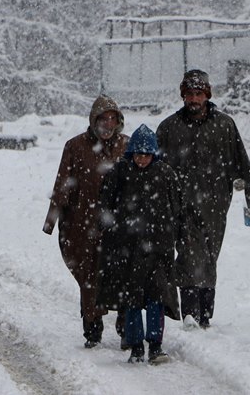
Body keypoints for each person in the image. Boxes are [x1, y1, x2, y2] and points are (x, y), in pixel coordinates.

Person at [157, 69, 250, 329]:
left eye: (198, 94)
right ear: (183, 96)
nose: (194, 99)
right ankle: (191, 313)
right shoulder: (170, 128)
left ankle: (206, 314)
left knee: (209, 256)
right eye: (189, 94)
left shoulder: (224, 125)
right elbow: (154, 166)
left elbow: (240, 158)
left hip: (215, 204)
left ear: (207, 95)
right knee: (188, 255)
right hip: (181, 204)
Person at [43, 95, 129, 349]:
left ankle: (126, 326)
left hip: (118, 224)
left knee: (123, 273)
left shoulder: (126, 145)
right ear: (93, 120)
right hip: (83, 223)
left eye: (112, 118)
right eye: (103, 118)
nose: (108, 124)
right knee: (89, 275)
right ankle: (92, 327)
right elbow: (63, 183)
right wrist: (52, 220)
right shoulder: (76, 146)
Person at [96, 124, 182, 364]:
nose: (142, 158)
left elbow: (176, 209)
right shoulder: (119, 173)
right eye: (138, 153)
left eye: (146, 154)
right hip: (128, 250)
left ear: (153, 154)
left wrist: (173, 235)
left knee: (156, 299)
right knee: (132, 300)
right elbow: (105, 206)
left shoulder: (166, 174)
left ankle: (155, 346)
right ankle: (135, 347)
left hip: (158, 250)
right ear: (131, 153)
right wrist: (110, 229)